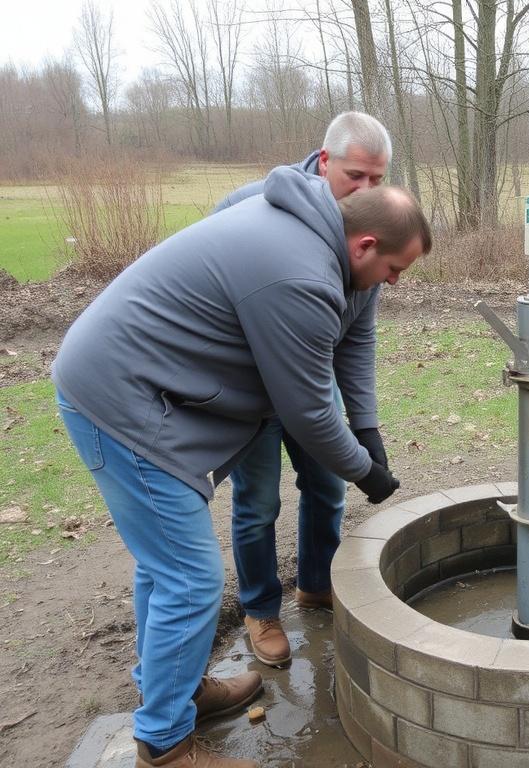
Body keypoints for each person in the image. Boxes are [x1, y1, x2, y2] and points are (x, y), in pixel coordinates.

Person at [52, 172, 429, 767]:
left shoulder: (319, 242)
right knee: (190, 578)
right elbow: (305, 409)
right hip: (122, 403)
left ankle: (174, 690)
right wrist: (366, 471)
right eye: (394, 269)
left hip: (135, 389)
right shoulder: (299, 274)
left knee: (163, 568)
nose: (393, 282)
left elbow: (347, 348)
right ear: (364, 246)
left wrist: (367, 426)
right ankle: (166, 744)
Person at [214, 112, 392, 668]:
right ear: (323, 162)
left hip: (312, 378)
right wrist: (365, 464)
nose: (365, 190)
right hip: (252, 389)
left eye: (377, 180)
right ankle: (260, 608)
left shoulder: (367, 234)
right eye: (355, 176)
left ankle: (317, 584)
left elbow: (356, 340)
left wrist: (365, 428)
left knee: (327, 486)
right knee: (259, 500)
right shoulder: (254, 208)